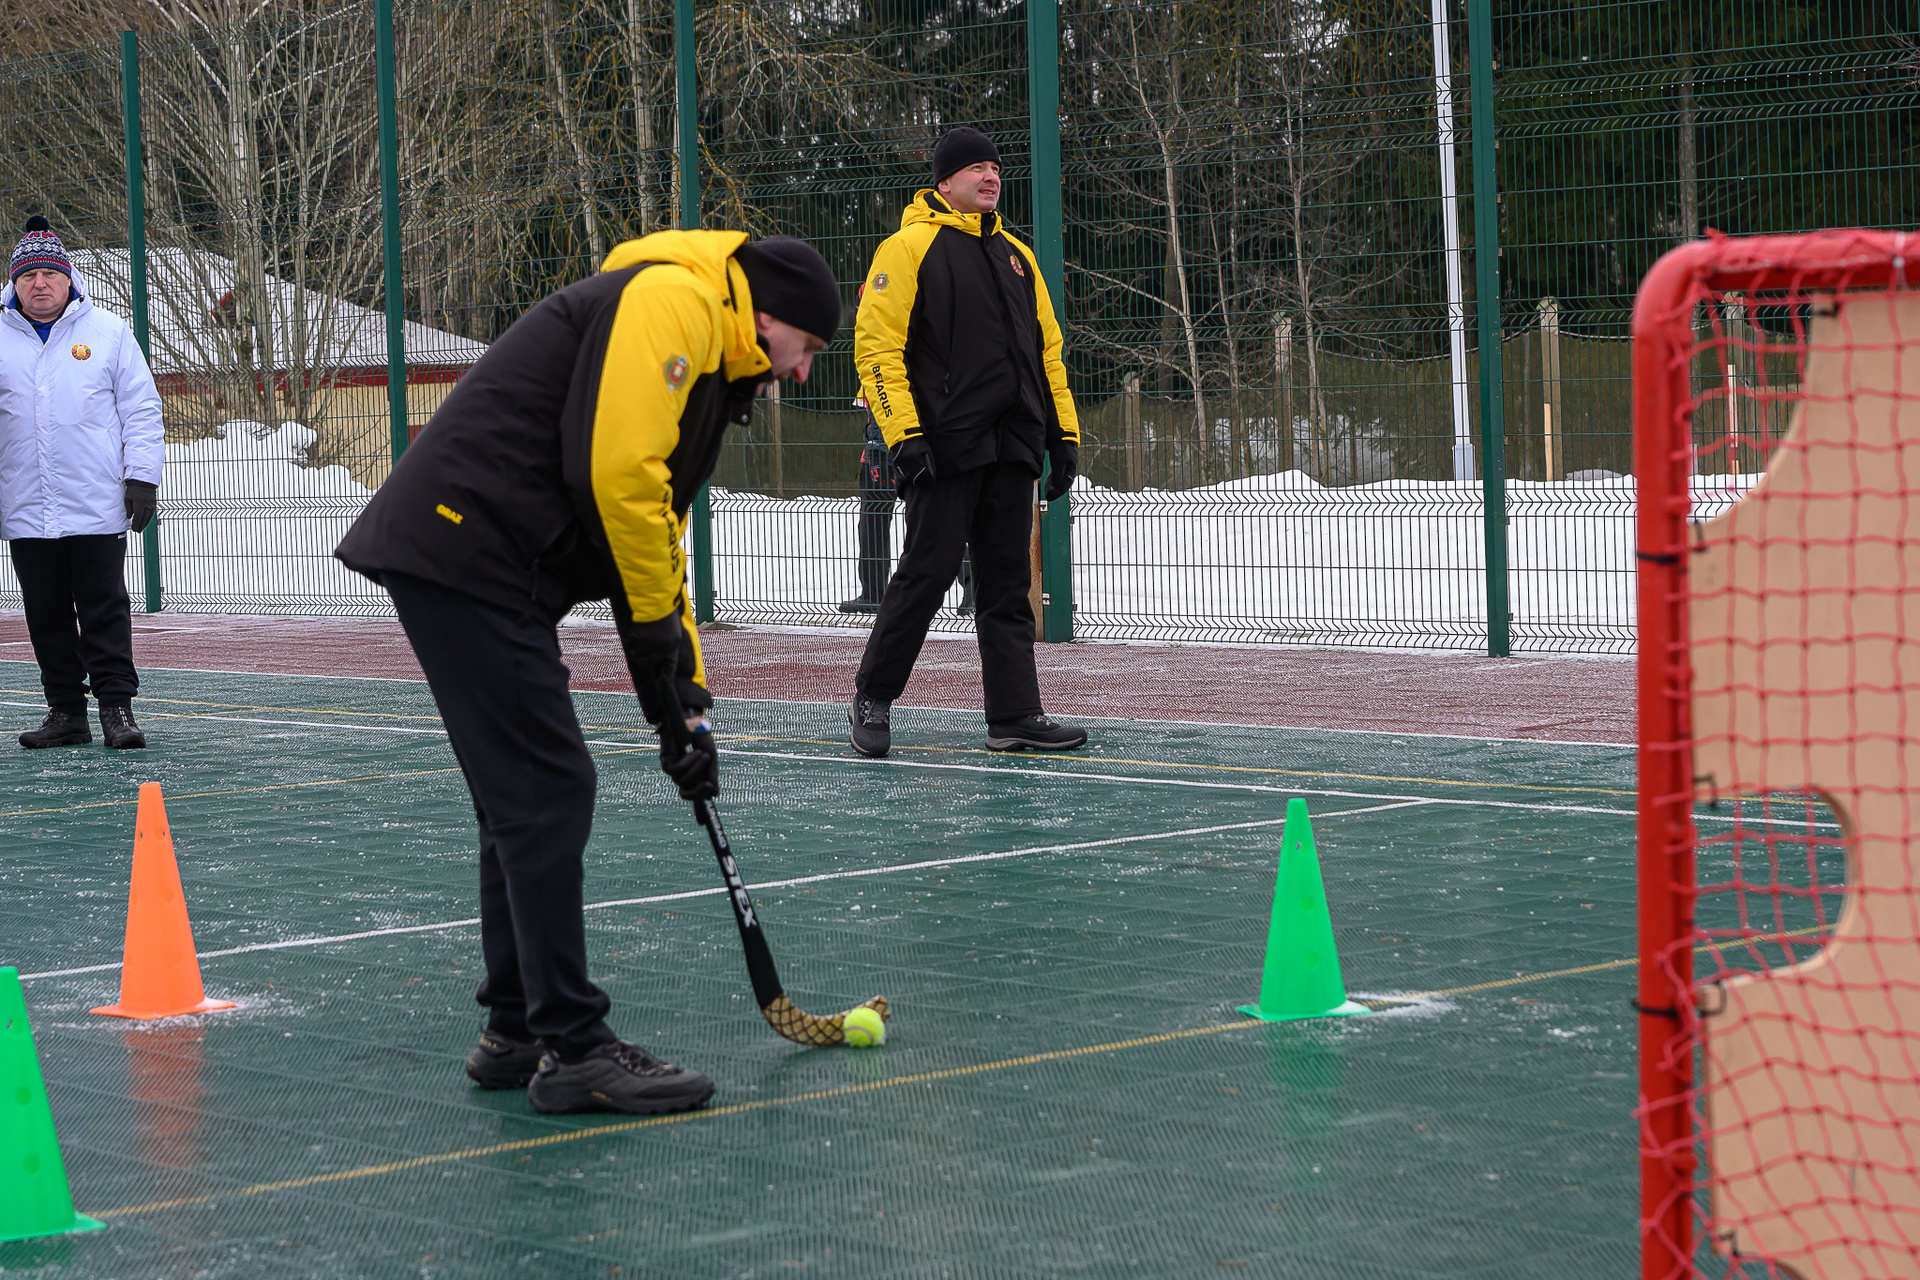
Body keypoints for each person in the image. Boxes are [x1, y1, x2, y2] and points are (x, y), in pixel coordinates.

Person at [335, 230, 838, 1116]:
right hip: (468, 549)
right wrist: (652, 652)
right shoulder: (676, 303)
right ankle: (573, 1047)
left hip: (481, 558)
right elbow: (617, 477)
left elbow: (658, 533)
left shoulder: (705, 355)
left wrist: (683, 700)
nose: (801, 374)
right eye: (808, 349)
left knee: (519, 795)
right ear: (769, 319)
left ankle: (517, 1030)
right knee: (546, 786)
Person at [848, 126, 1085, 758]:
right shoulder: (906, 249)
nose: (990, 177)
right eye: (976, 168)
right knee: (925, 575)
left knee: (1006, 586)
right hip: (943, 448)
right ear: (945, 181)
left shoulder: (1018, 256)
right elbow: (877, 350)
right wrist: (905, 435)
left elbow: (1048, 354)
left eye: (996, 168)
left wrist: (1062, 435)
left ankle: (1015, 715)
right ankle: (873, 696)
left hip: (1013, 447)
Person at [0, 215, 162, 751]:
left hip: (95, 502)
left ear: (69, 278)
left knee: (103, 609)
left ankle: (117, 708)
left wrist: (142, 476)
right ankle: (66, 712)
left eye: (50, 273)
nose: (40, 284)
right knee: (45, 615)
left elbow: (141, 409)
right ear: (14, 283)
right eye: (28, 276)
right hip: (26, 507)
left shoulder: (109, 333)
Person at [838, 396, 972, 617]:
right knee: (920, 519)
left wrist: (877, 446)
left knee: (883, 521)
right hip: (905, 446)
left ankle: (874, 595)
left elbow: (885, 402)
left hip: (890, 450)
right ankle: (970, 579)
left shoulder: (881, 374)